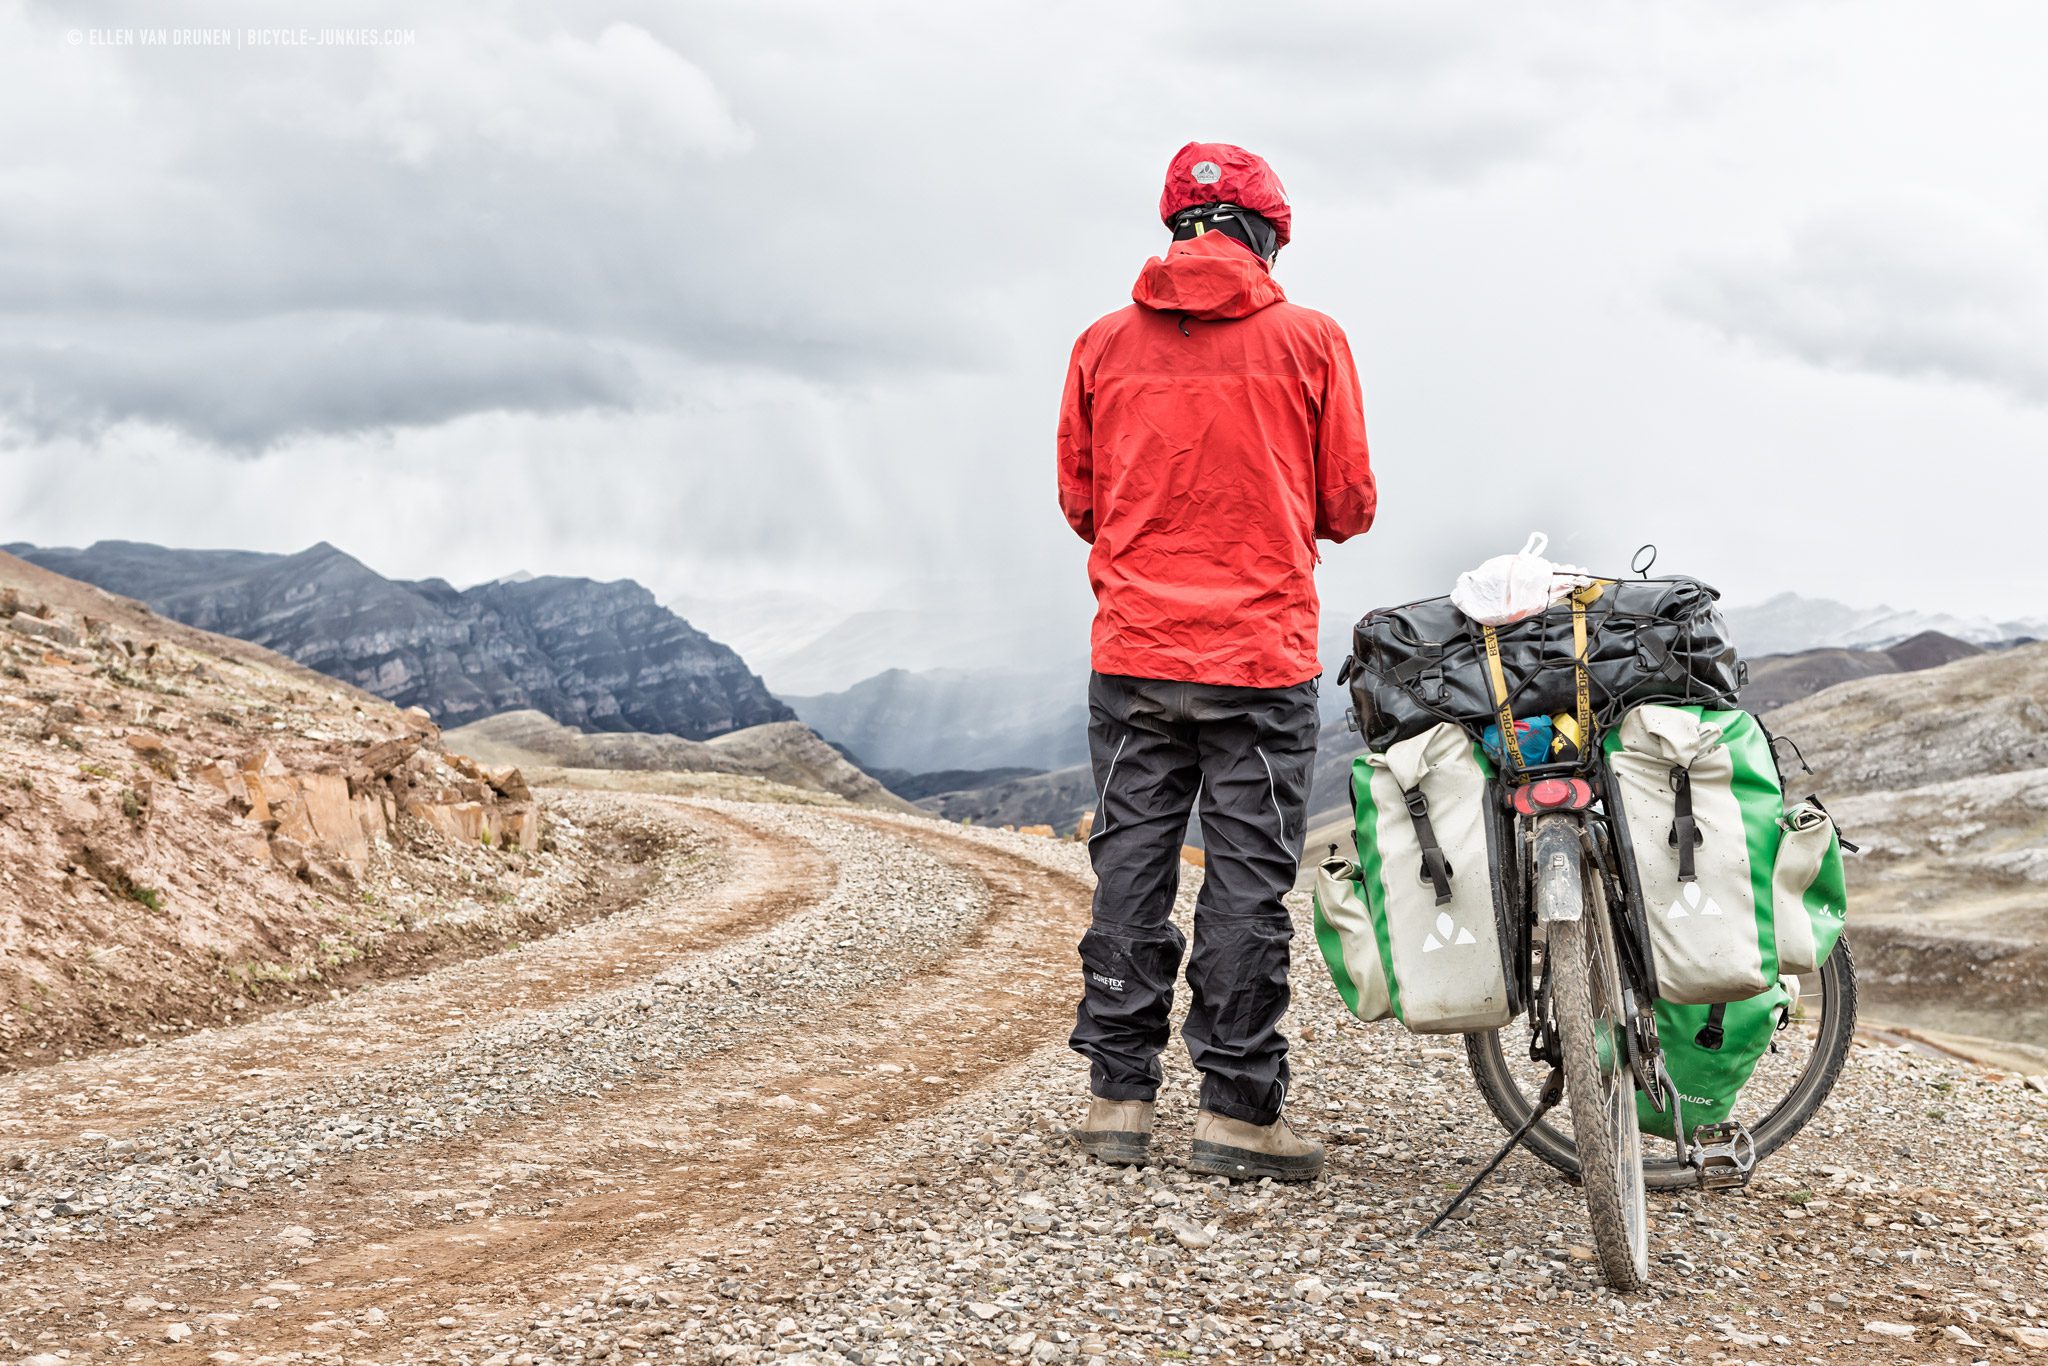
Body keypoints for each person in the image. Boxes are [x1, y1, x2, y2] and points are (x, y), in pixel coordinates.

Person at [1055, 141, 1376, 1182]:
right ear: (1267, 234)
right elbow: (1347, 505)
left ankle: (1117, 1100)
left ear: (1175, 229)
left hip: (1135, 650)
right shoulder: (1311, 340)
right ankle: (1237, 1110)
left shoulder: (1100, 344)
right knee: (1243, 878)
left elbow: (1081, 503)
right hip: (1258, 655)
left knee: (1130, 865)